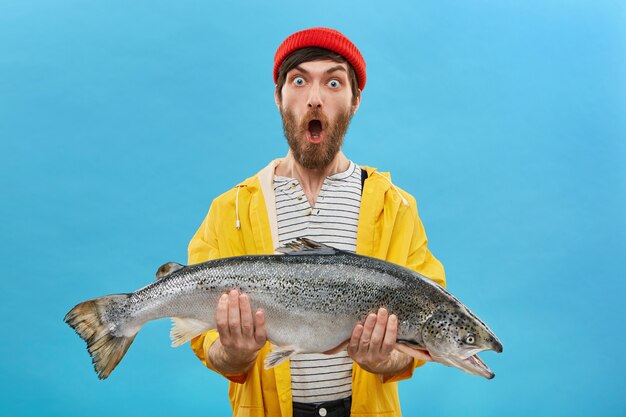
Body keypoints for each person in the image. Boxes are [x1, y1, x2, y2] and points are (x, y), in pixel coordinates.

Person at [188, 27, 445, 417]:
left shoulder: (396, 208)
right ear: (278, 97)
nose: (314, 99)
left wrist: (384, 360)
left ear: (355, 100)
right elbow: (209, 346)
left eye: (334, 82)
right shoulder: (231, 210)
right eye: (299, 80)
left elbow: (421, 331)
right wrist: (232, 352)